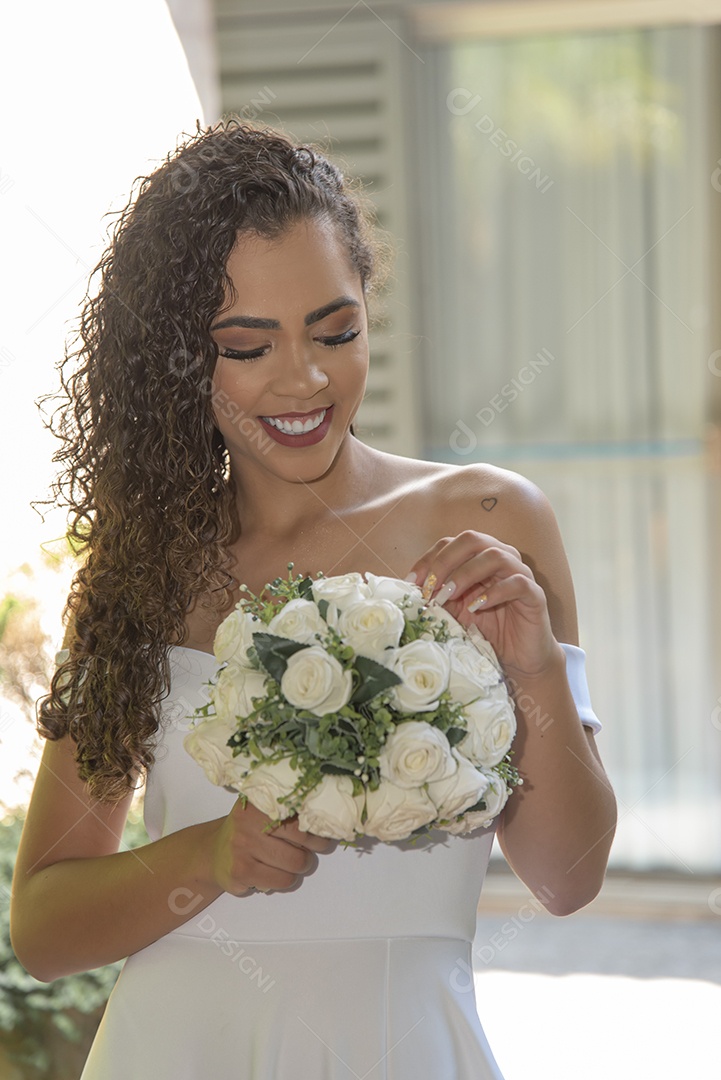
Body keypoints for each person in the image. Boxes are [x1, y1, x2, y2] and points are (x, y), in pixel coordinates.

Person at [10, 118, 617, 1079]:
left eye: (335, 330)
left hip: (405, 1045)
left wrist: (532, 667)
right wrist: (207, 860)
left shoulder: (494, 520)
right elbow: (43, 929)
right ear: (180, 358)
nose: (305, 378)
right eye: (248, 347)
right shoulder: (141, 572)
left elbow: (568, 878)